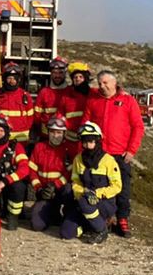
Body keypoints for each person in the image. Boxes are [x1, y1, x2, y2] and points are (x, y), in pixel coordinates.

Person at [82, 69, 145, 238]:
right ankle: (104, 218)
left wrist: (131, 150)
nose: (102, 86)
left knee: (122, 188)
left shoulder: (128, 100)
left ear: (114, 83)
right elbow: (85, 123)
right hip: (99, 155)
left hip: (120, 154)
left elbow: (138, 127)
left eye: (105, 83)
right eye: (100, 83)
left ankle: (122, 219)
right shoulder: (93, 100)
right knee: (99, 187)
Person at [64, 122, 122, 244]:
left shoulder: (108, 161)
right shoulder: (78, 159)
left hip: (104, 203)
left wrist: (97, 193)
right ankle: (91, 225)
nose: (88, 145)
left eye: (91, 141)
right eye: (84, 141)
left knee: (85, 202)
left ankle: (101, 230)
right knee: (66, 233)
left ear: (97, 141)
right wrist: (84, 192)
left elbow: (117, 186)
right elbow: (75, 182)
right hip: (83, 201)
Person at [28, 114, 74, 234]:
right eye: (53, 132)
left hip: (60, 191)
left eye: (59, 132)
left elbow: (69, 173)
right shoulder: (39, 147)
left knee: (69, 190)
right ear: (47, 132)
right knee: (37, 225)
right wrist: (38, 189)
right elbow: (32, 170)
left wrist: (55, 185)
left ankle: (68, 216)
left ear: (64, 133)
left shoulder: (68, 150)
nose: (55, 135)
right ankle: (52, 213)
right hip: (44, 192)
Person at [0, 62, 34, 144]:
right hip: (1, 140)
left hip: (21, 140)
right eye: (9, 78)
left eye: (14, 78)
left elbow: (30, 119)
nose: (11, 81)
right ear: (4, 79)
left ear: (18, 79)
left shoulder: (25, 96)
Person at [60, 61, 92, 158]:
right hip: (70, 141)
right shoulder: (67, 95)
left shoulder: (92, 94)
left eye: (80, 77)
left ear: (85, 78)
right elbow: (60, 113)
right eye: (75, 77)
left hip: (88, 140)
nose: (77, 79)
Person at [33, 57, 70, 138]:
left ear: (65, 73)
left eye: (60, 73)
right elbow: (37, 117)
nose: (57, 76)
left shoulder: (70, 92)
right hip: (46, 136)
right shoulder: (44, 92)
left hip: (65, 137)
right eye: (54, 73)